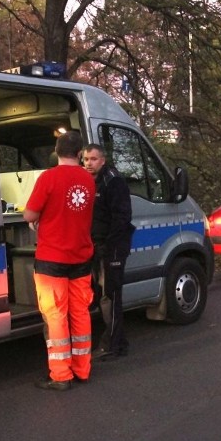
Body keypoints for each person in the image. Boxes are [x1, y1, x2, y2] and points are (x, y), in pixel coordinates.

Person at [23, 130, 96, 390]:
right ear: (79, 154)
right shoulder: (88, 180)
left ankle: (60, 375)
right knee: (80, 313)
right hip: (81, 257)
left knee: (55, 316)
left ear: (56, 150)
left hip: (52, 257)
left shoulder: (49, 178)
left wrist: (38, 219)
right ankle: (82, 369)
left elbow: (29, 214)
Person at [82, 144, 135, 362]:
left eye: (93, 159)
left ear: (103, 160)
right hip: (96, 246)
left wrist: (108, 246)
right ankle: (119, 342)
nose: (88, 163)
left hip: (111, 248)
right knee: (102, 295)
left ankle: (111, 345)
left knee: (110, 296)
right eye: (86, 159)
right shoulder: (88, 181)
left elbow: (122, 218)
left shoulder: (113, 181)